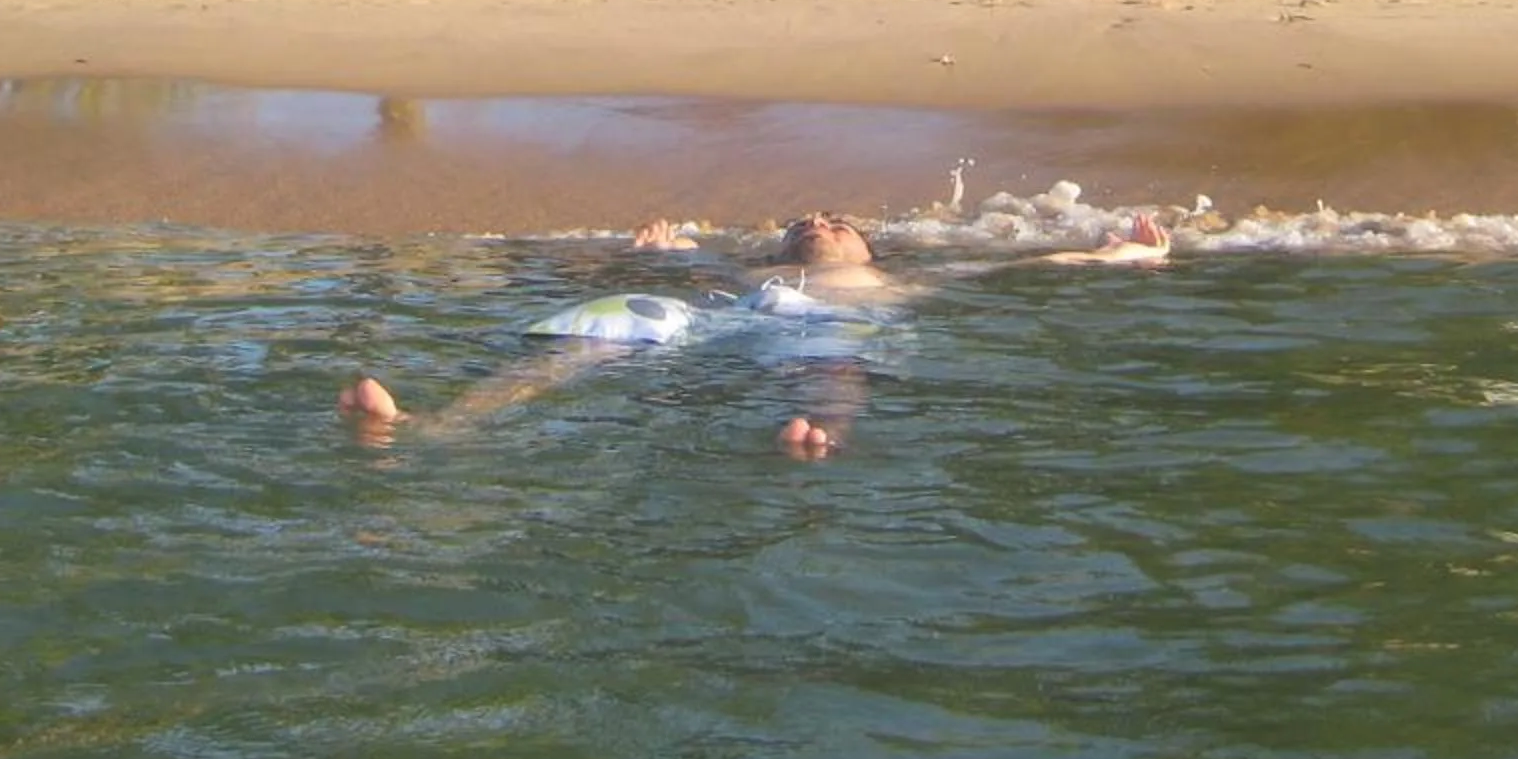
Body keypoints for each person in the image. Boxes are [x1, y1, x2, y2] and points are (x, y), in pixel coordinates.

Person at [340, 207, 1171, 456]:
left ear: (867, 248)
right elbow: (617, 279)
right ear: (777, 248)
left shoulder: (886, 281)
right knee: (582, 348)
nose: (820, 225)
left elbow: (1020, 270)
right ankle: (440, 423)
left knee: (832, 374)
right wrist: (647, 254)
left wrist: (1112, 256)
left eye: (837, 222)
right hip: (723, 323)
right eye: (806, 223)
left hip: (830, 329)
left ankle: (819, 439)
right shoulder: (748, 274)